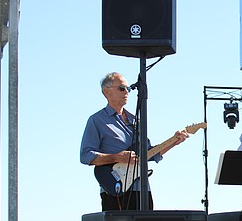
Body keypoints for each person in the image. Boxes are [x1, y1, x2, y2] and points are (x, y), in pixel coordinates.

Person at [80, 72, 190, 211]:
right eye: (122, 88)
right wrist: (117, 157)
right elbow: (86, 156)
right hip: (115, 189)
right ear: (106, 91)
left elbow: (149, 153)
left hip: (141, 189)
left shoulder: (136, 120)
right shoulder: (97, 120)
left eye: (128, 88)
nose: (126, 92)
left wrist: (174, 141)